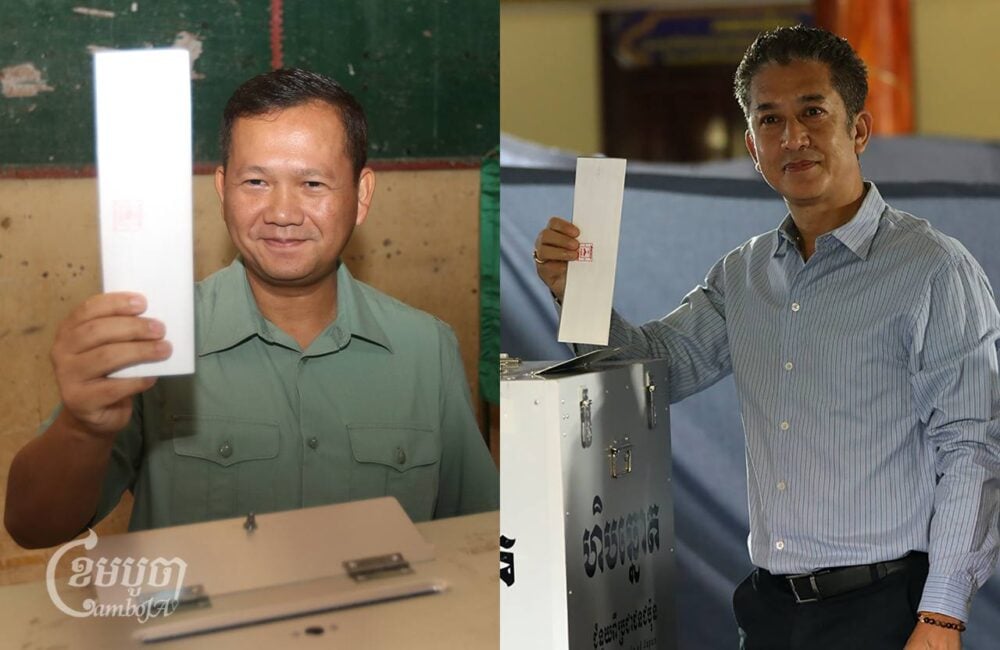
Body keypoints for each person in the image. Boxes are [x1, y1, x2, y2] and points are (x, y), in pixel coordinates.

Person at [533, 26, 999, 650]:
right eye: (770, 119)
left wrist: (942, 617)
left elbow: (973, 447)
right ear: (753, 147)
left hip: (889, 612)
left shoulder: (933, 268)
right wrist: (577, 296)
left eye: (813, 111)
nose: (793, 137)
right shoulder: (744, 273)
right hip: (772, 612)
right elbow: (654, 372)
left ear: (859, 129)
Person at [4, 68, 498, 548]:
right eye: (256, 182)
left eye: (312, 184)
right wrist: (81, 427)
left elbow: (480, 535)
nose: (282, 214)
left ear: (361, 194)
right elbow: (33, 527)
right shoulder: (154, 339)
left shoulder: (425, 349)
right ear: (223, 190)